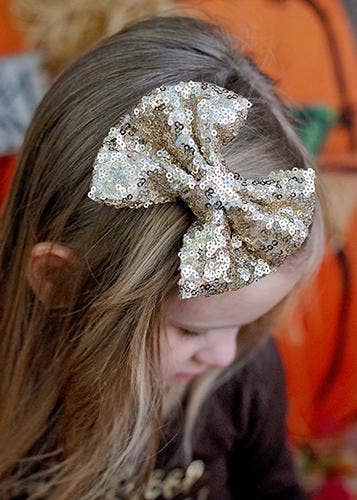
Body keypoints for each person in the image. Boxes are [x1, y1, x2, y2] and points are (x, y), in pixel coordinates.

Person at [0, 15, 326, 500]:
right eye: (190, 329)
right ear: (59, 280)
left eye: (244, 323)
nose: (223, 353)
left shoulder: (241, 374)